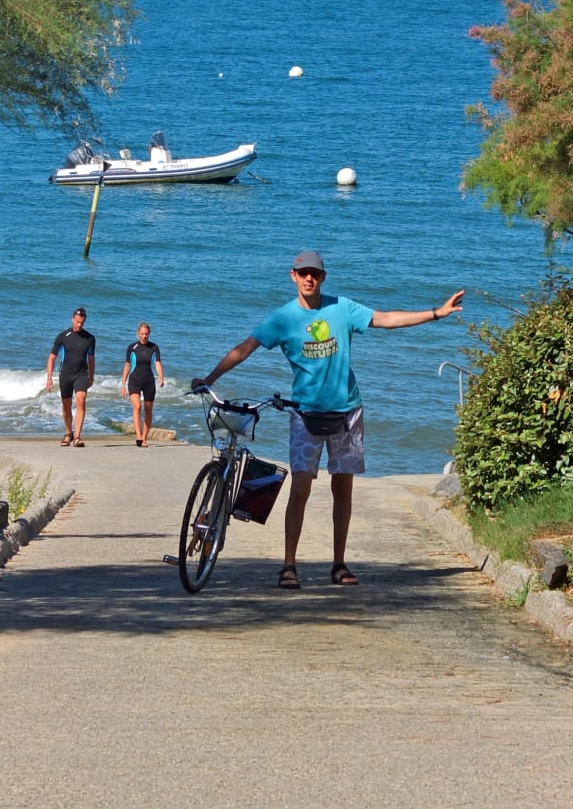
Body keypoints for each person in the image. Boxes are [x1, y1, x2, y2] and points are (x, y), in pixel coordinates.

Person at [193, 251, 463, 590]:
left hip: (348, 411)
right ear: (293, 275)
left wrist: (436, 313)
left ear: (323, 278)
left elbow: (386, 319)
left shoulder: (342, 308)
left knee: (343, 489)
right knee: (300, 488)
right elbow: (244, 348)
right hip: (305, 414)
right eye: (304, 273)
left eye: (315, 275)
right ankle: (288, 566)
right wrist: (210, 378)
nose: (309, 279)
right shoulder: (282, 319)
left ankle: (338, 563)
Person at [46, 306, 96, 447]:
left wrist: (91, 377)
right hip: (65, 375)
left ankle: (78, 437)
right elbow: (51, 358)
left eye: (82, 322)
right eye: (77, 322)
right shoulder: (62, 337)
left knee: (81, 400)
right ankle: (68, 433)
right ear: (73, 319)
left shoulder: (90, 338)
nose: (79, 325)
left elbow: (91, 359)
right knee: (66, 404)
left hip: (81, 374)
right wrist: (49, 378)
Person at [119, 321, 164, 447]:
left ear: (149, 334)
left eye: (146, 334)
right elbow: (127, 365)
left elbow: (157, 363)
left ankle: (144, 438)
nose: (144, 336)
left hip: (149, 381)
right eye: (142, 334)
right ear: (138, 334)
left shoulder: (154, 347)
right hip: (134, 381)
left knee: (148, 410)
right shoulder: (132, 347)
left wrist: (161, 377)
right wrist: (123, 384)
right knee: (137, 406)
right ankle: (138, 436)